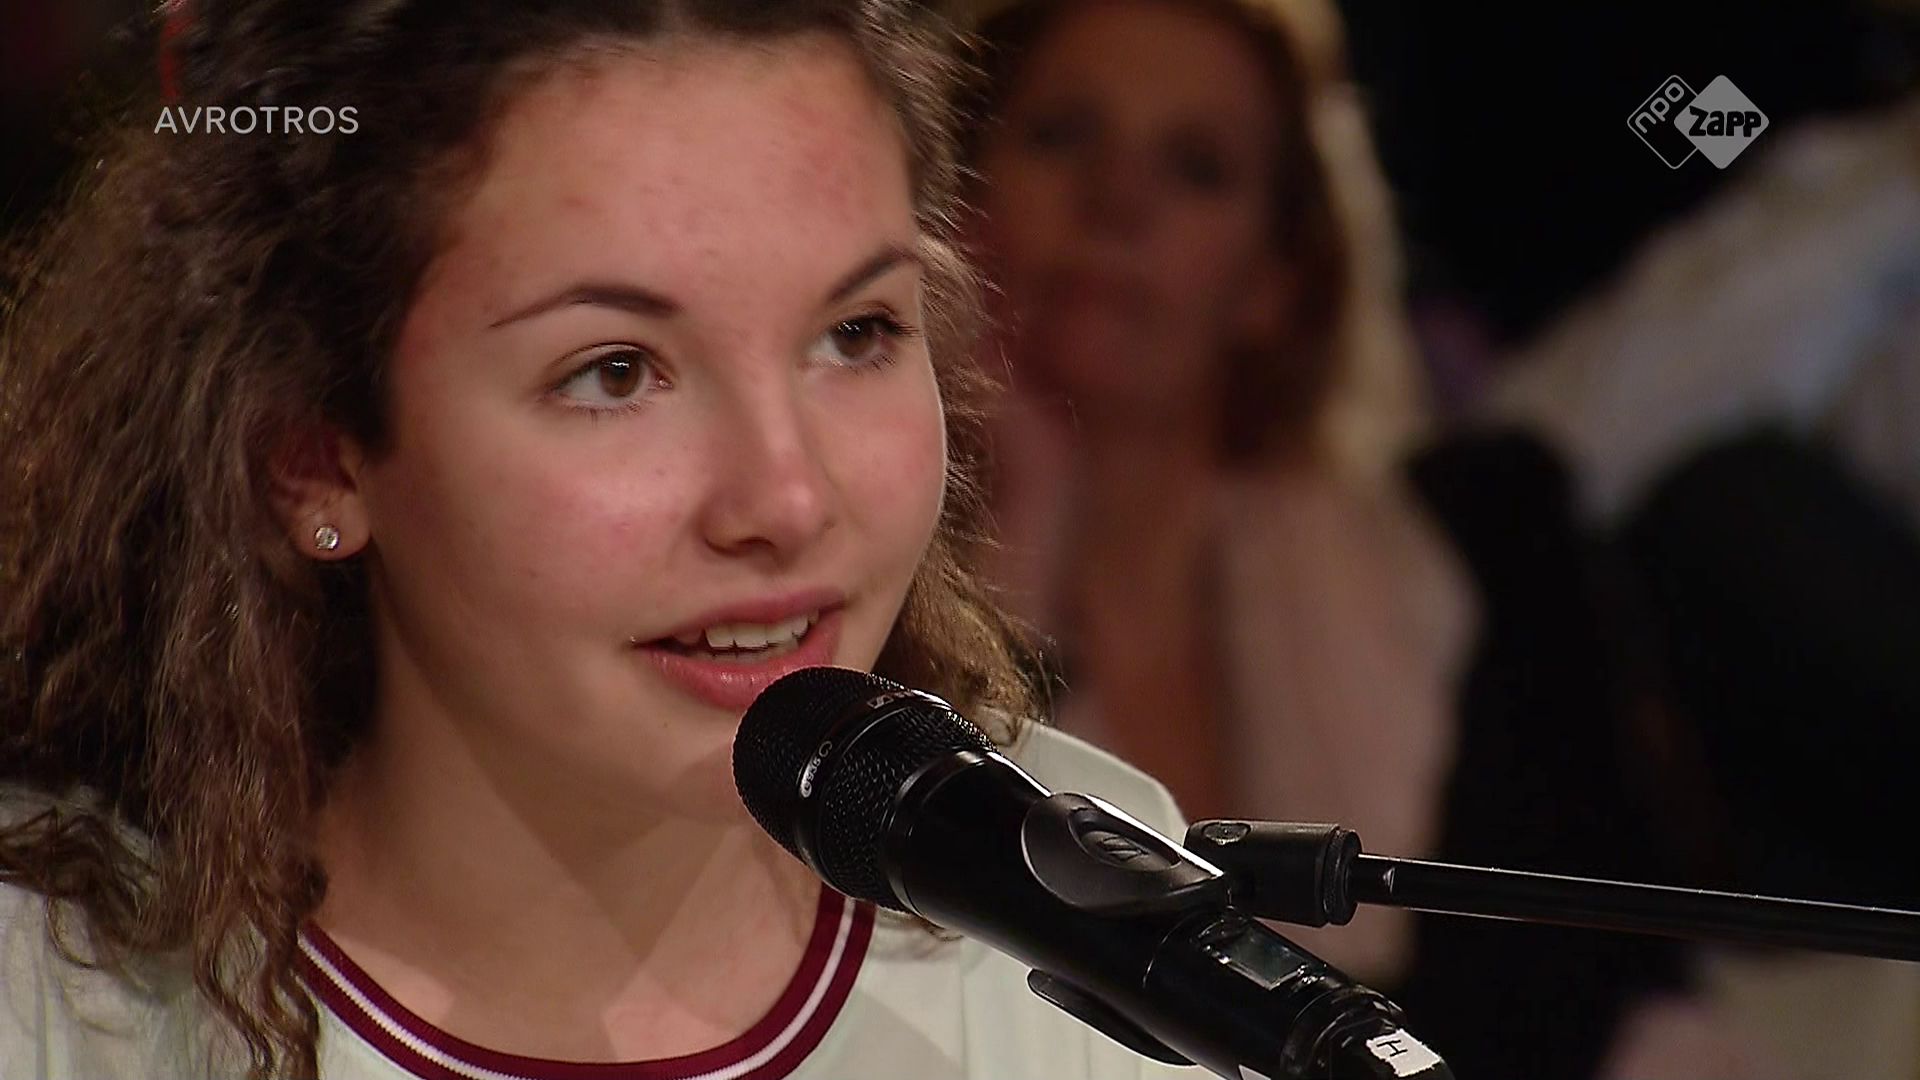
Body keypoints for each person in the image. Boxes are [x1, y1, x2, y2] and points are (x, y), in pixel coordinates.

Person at [0, 3, 1193, 1078]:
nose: (787, 499)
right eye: (615, 373)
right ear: (313, 456)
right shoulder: (47, 1003)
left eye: (856, 333)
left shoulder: (1091, 927)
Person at [958, 0, 1475, 983]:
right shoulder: (858, 572)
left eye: (1197, 167)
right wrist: (1023, 530)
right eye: (1062, 136)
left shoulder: (1418, 580)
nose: (1116, 201)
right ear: (963, 197)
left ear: (1274, 280)